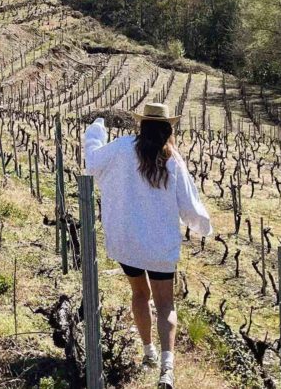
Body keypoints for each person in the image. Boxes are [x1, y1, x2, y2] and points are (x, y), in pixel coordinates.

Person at [83, 102, 211, 389]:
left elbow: (91, 163)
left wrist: (96, 130)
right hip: (160, 245)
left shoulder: (121, 148)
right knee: (165, 303)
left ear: (140, 125)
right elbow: (190, 206)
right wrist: (204, 225)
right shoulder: (172, 159)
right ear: (168, 128)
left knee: (139, 294)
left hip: (127, 240)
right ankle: (167, 367)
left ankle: (148, 352)